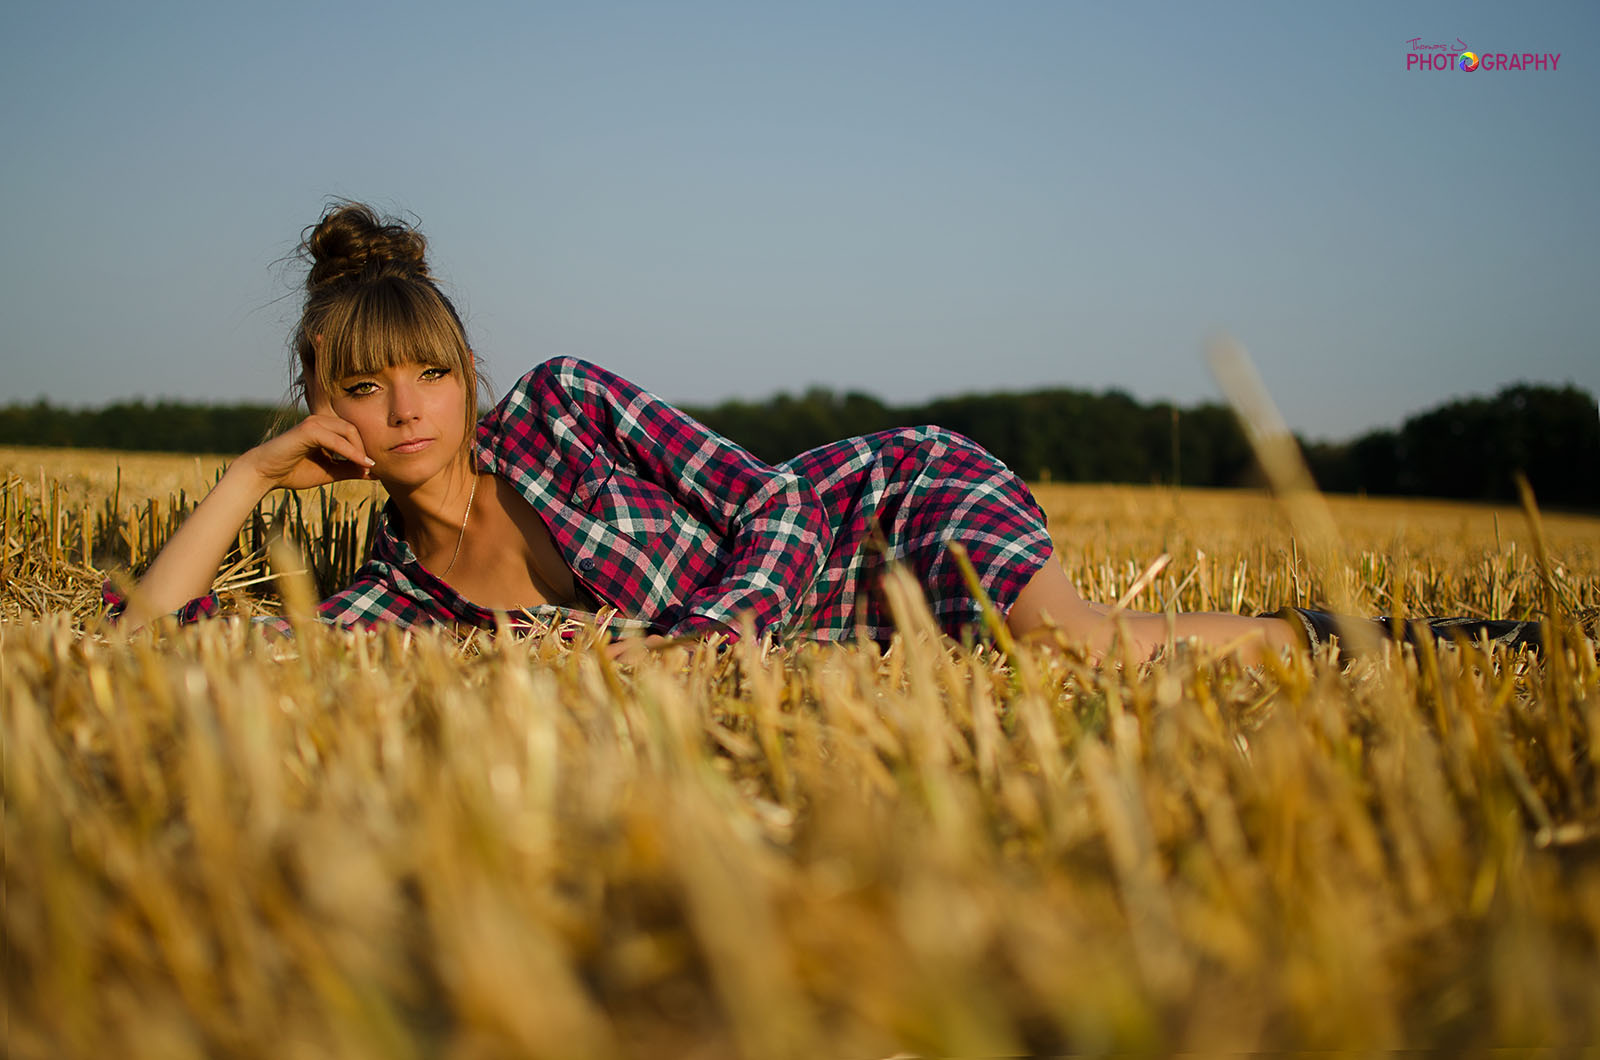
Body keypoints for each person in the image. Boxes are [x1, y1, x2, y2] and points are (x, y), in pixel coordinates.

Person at [112, 203, 1540, 662]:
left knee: (1076, 648)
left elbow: (778, 497)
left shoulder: (562, 404)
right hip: (840, 638)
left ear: (467, 372)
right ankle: (1312, 637)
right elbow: (150, 648)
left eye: (425, 371)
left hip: (884, 502)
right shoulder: (392, 599)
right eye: (362, 389)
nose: (404, 408)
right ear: (327, 405)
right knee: (1079, 659)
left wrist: (707, 653)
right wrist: (249, 475)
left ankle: (1378, 643)